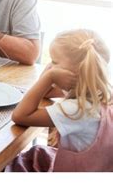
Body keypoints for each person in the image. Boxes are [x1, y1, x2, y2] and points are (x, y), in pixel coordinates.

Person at [6, 29, 112, 172]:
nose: (49, 67)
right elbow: (47, 92)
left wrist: (49, 77)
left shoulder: (78, 110)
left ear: (75, 72)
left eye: (54, 62)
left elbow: (20, 116)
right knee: (36, 154)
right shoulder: (97, 92)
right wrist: (52, 73)